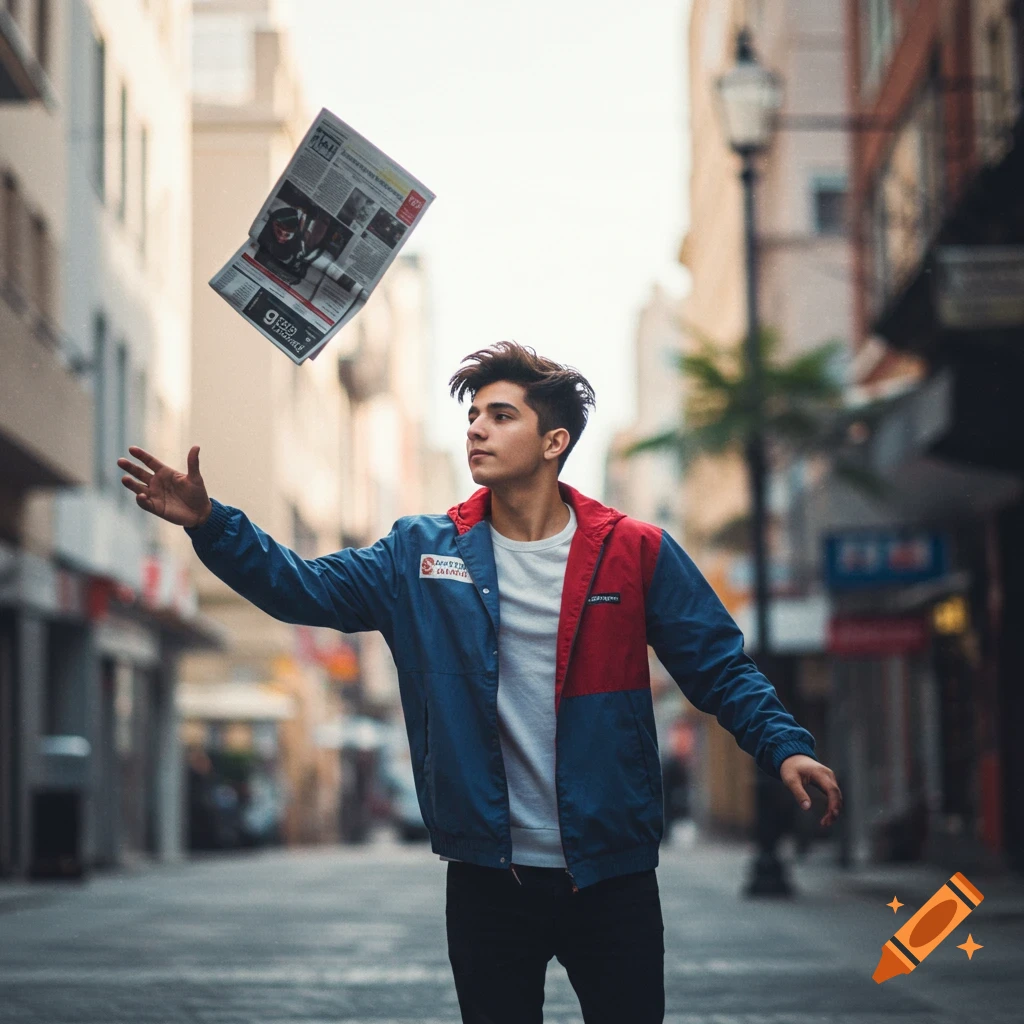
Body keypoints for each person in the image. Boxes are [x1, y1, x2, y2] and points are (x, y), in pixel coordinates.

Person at [117, 341, 843, 1024]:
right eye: (471, 416)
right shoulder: (420, 553)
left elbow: (718, 666)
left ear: (554, 441)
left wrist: (784, 746)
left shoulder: (634, 551)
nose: (477, 431)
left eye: (501, 416)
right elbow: (301, 589)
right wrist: (211, 524)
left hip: (612, 875)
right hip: (489, 879)